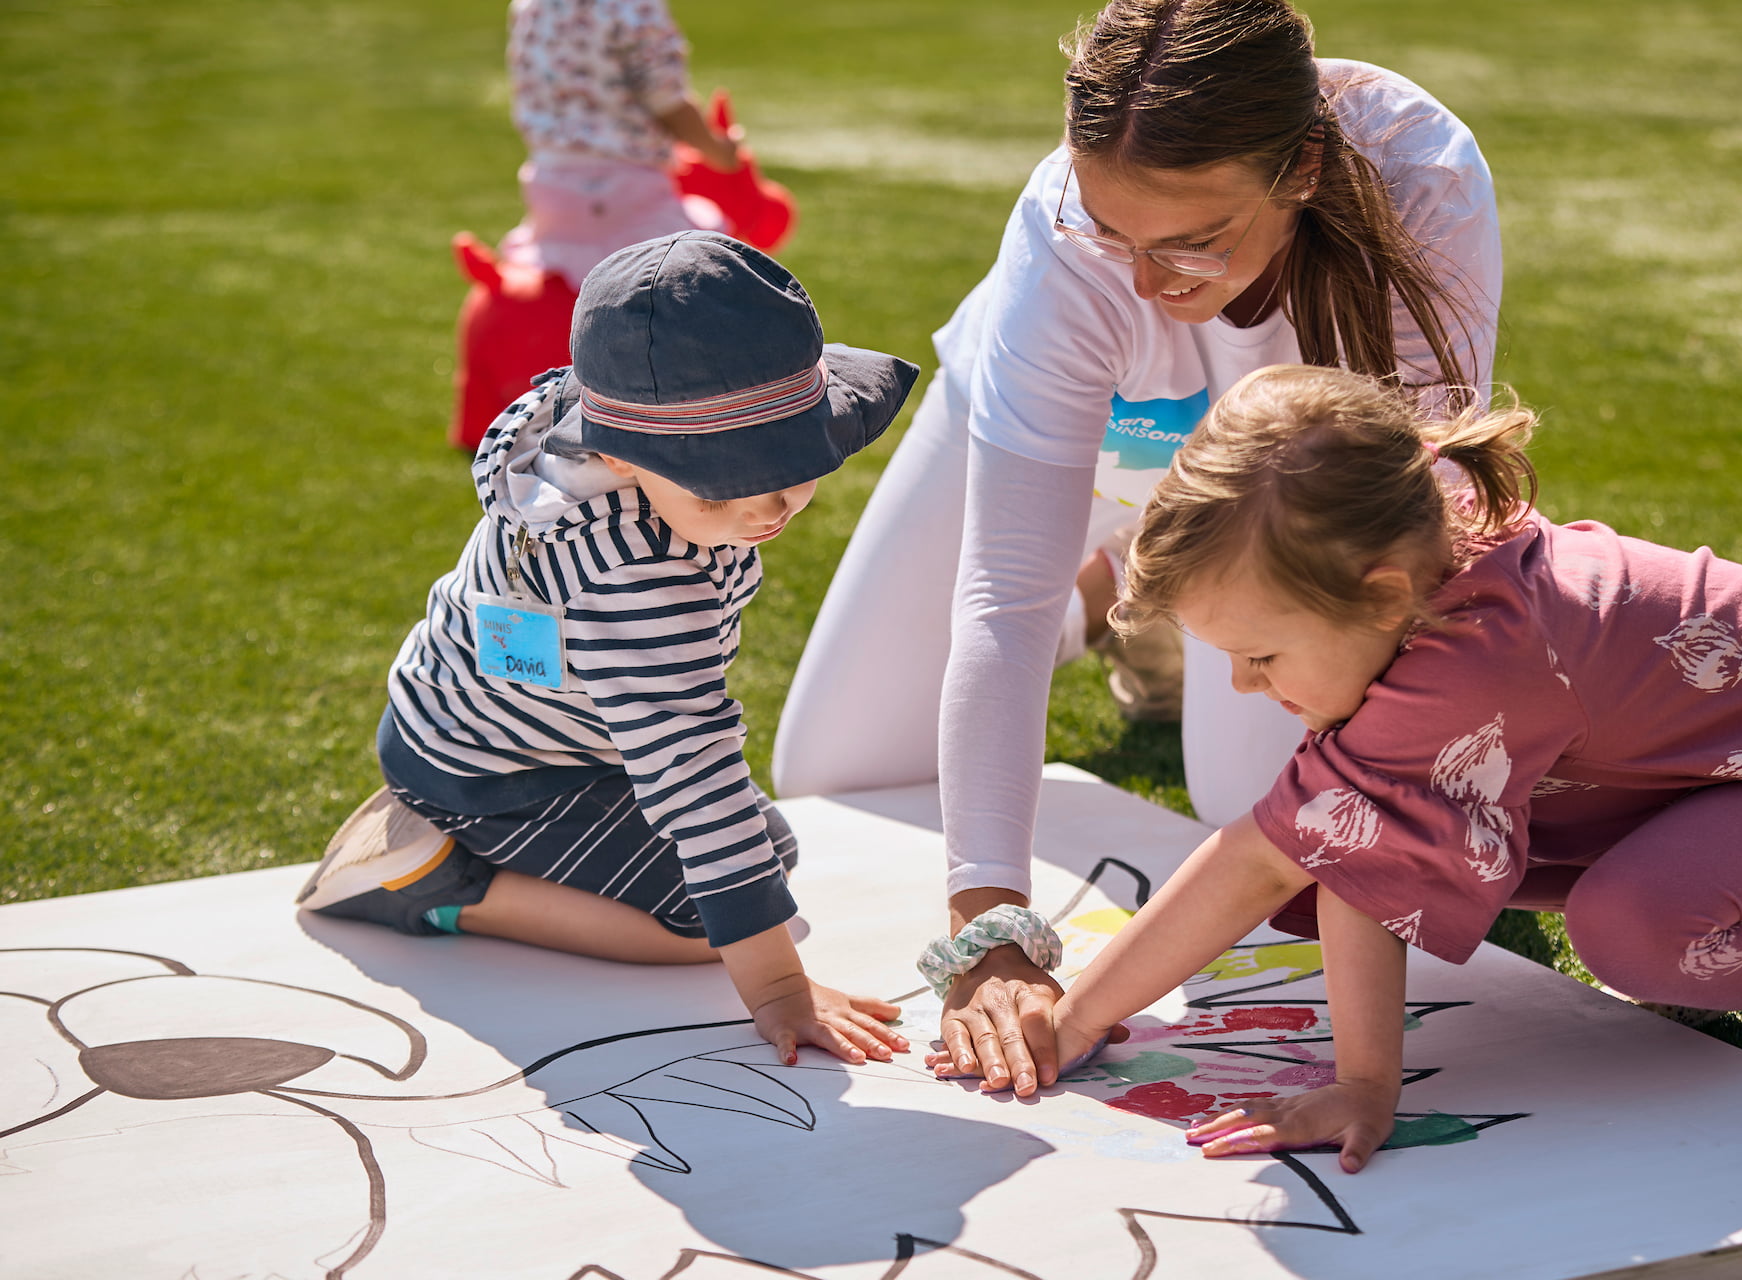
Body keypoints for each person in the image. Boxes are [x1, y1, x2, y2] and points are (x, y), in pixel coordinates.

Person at [773, 0, 1502, 1095]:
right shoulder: (1061, 241)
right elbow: (1004, 597)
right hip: (1106, 425)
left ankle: (1152, 588)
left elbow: (1410, 521)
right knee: (829, 771)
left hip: (1281, 480)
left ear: (1301, 167)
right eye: (1114, 233)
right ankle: (1123, 592)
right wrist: (989, 921)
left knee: (1249, 815)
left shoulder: (1425, 180)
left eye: (1194, 243)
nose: (1149, 285)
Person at [933, 363, 1742, 1164]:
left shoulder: (1481, 656)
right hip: (1694, 792)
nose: (1240, 684)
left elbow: (1263, 859)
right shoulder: (1400, 568)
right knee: (1394, 836)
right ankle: (1714, 904)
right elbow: (1355, 856)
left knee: (1629, 930)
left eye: (1261, 654)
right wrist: (1092, 1020)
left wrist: (1080, 1019)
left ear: (1382, 588)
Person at [300, 231, 921, 1068]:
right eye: (731, 476)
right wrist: (780, 988)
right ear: (626, 455)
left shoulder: (572, 434)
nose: (775, 500)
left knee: (767, 858)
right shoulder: (638, 578)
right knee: (708, 914)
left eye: (797, 460)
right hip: (494, 770)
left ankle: (455, 842)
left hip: (505, 726)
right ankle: (438, 882)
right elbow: (691, 773)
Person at [501, 0, 742, 289]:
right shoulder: (635, 8)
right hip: (628, 188)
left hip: (549, 184)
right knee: (698, 265)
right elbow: (667, 101)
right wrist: (719, 150)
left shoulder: (531, 6)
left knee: (567, 294)